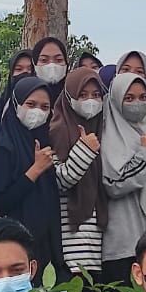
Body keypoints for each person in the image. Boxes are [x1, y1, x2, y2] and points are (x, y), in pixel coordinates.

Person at [0, 77, 64, 279]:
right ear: (15, 104)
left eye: (44, 107)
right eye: (30, 104)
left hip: (48, 241)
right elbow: (0, 202)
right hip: (18, 243)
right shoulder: (3, 147)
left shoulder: (45, 141)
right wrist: (35, 170)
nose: (37, 111)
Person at [99, 73, 146, 288]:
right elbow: (113, 184)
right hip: (122, 243)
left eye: (143, 97)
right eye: (129, 98)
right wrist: (145, 154)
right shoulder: (107, 136)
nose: (138, 104)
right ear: (115, 100)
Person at [50, 67, 110, 281]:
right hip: (72, 241)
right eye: (82, 95)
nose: (90, 101)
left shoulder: (104, 129)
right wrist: (84, 150)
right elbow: (60, 181)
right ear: (69, 97)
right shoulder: (57, 131)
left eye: (96, 95)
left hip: (98, 243)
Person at [32, 38, 71, 104]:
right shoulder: (24, 98)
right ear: (34, 64)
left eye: (59, 60)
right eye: (44, 60)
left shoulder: (76, 97)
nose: (52, 65)